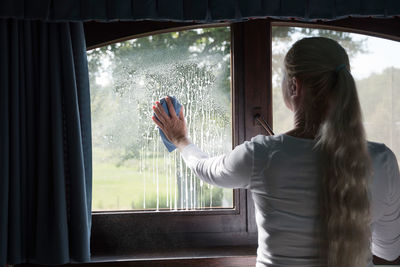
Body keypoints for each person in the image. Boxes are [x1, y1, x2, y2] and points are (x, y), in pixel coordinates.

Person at [151, 37, 400, 267]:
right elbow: (389, 251)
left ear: (294, 86)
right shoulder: (382, 160)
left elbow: (206, 170)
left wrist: (181, 139)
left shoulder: (263, 154)